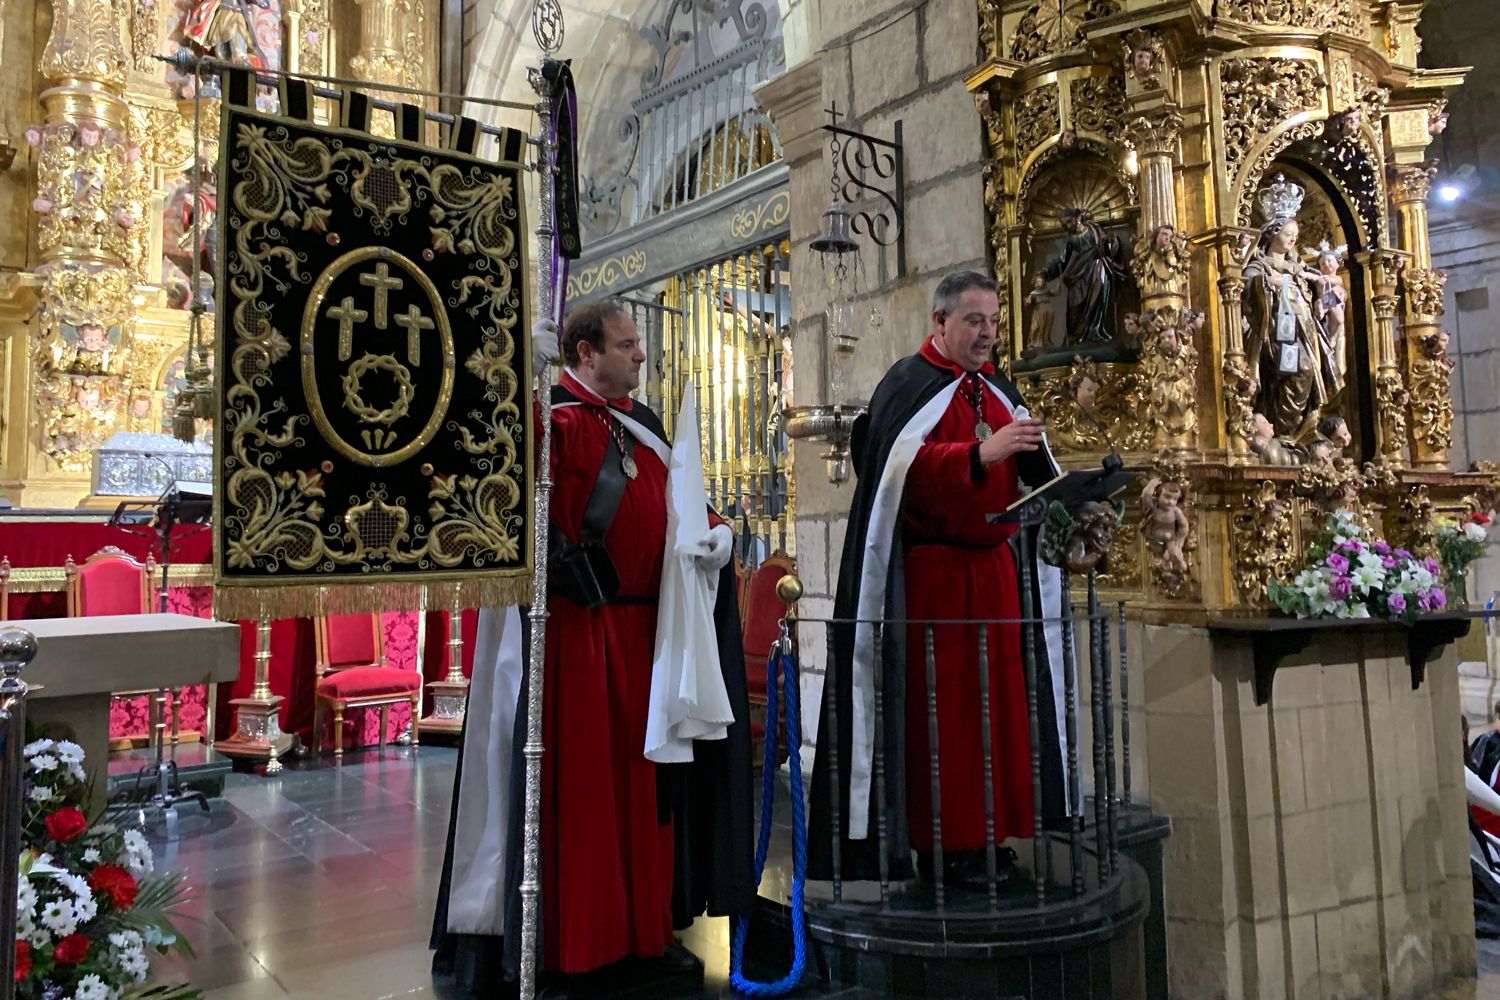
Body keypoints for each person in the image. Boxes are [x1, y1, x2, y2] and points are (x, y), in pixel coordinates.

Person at [432, 302, 754, 994]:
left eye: (639, 345)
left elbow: (686, 502)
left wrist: (718, 535)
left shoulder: (646, 429)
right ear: (584, 352)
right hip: (578, 638)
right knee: (588, 798)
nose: (641, 356)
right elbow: (495, 476)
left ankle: (644, 934)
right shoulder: (553, 425)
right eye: (627, 345)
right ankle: (582, 945)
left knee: (648, 793)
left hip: (652, 638)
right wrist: (520, 379)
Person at [808, 270, 1072, 889]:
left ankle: (991, 837)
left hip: (996, 576)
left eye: (994, 322)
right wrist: (982, 454)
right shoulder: (908, 383)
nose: (987, 334)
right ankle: (946, 848)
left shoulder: (996, 390)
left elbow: (1039, 472)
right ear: (940, 323)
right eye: (974, 321)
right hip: (935, 582)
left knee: (1000, 713)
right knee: (948, 718)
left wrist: (1075, 500)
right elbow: (899, 474)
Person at [1242, 174, 1341, 439]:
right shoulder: (1261, 265)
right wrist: (1269, 281)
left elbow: (1311, 294)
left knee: (1308, 373)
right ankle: (1282, 429)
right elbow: (1246, 286)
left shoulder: (1299, 268)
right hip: (1274, 331)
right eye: (1288, 234)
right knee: (1300, 371)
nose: (1292, 240)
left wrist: (1319, 303)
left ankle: (1296, 431)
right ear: (1274, 233)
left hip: (1304, 331)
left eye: (1295, 235)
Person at [1042, 208, 1128, 344]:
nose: (1068, 226)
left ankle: (1095, 330)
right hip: (1078, 274)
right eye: (1064, 224)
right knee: (1074, 307)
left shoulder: (1094, 229)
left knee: (1097, 298)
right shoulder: (1070, 239)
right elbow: (1062, 260)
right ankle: (1077, 336)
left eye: (1070, 222)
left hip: (1096, 267)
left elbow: (1106, 248)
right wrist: (1046, 272)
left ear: (1078, 218)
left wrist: (1113, 242)